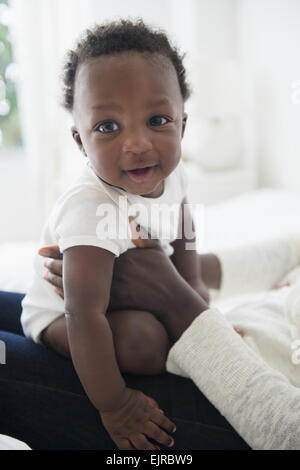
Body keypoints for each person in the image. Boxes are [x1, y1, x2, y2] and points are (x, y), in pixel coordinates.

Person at [19, 18, 214, 451]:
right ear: (80, 141)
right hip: (60, 315)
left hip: (111, 296)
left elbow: (184, 226)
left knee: (165, 321)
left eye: (157, 119)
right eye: (108, 127)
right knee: (144, 343)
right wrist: (115, 404)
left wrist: (194, 283)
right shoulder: (90, 205)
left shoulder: (174, 174)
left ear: (182, 125)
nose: (137, 143)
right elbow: (82, 313)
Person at [0, 242, 250, 450]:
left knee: (140, 340)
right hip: (212, 345)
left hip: (235, 396)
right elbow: (287, 251)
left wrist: (206, 331)